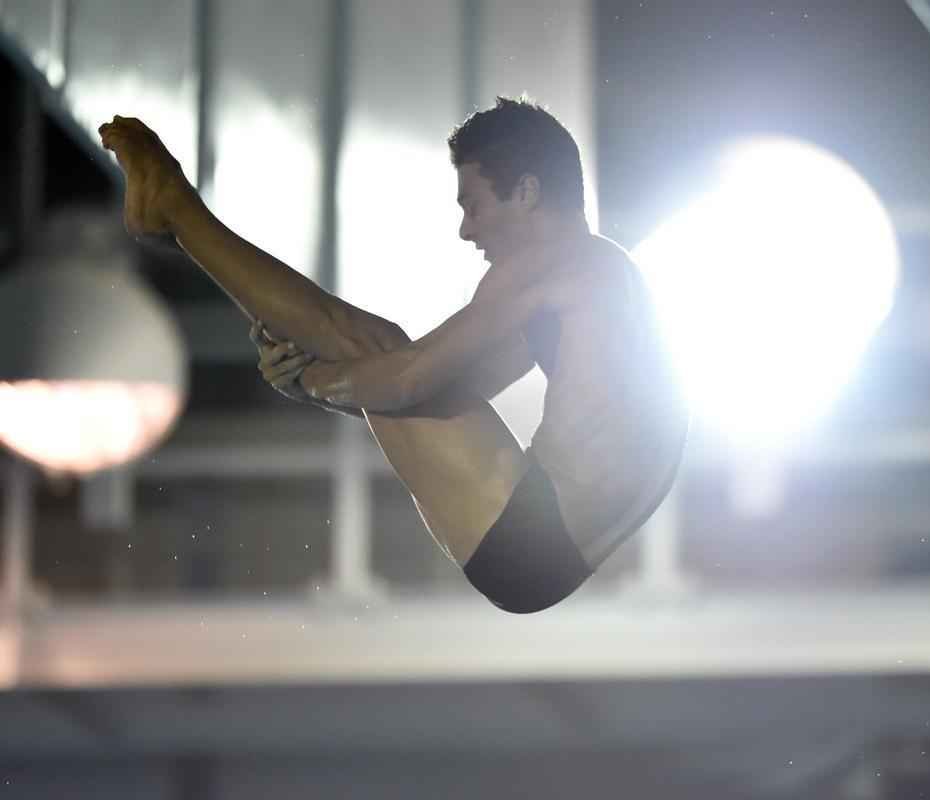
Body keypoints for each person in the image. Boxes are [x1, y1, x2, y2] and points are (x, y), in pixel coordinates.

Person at [98, 96, 688, 613]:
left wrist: (309, 382)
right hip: (559, 551)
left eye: (474, 204)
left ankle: (175, 207)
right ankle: (176, 215)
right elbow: (441, 390)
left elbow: (406, 382)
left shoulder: (549, 266)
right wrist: (319, 380)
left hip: (529, 535)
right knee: (370, 353)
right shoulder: (611, 276)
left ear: (528, 192)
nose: (466, 231)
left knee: (370, 343)